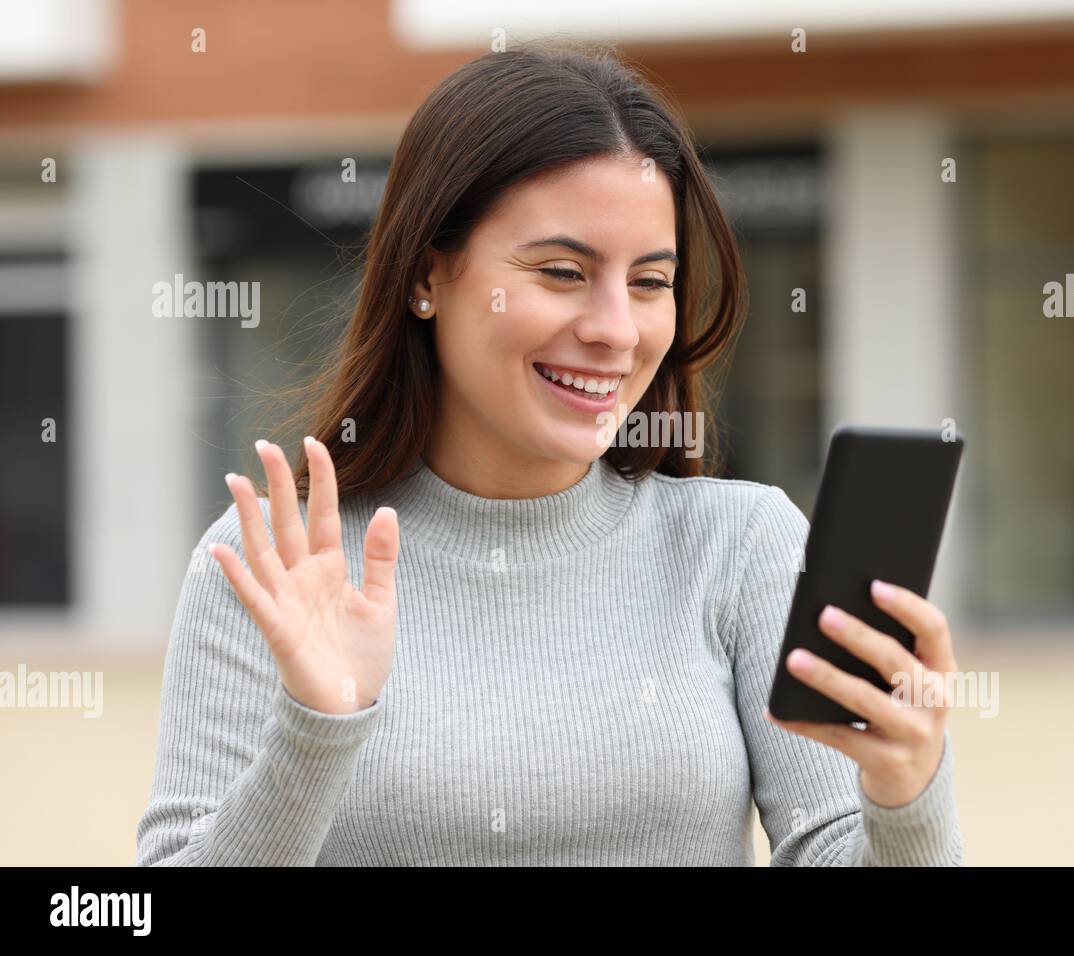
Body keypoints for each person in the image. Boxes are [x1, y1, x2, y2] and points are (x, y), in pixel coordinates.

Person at [136, 41, 963, 866]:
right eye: (563, 272)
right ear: (428, 275)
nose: (614, 329)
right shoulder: (268, 565)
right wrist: (313, 737)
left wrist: (905, 793)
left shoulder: (741, 547)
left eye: (649, 282)